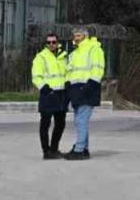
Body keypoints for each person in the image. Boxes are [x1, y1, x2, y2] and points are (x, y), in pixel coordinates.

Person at [64, 27, 105, 161]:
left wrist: (90, 85)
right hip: (76, 90)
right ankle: (84, 149)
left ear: (85, 36)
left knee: (81, 120)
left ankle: (79, 149)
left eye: (79, 35)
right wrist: (68, 84)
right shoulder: (74, 53)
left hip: (88, 88)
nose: (76, 38)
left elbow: (98, 68)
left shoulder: (94, 49)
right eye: (74, 35)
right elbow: (69, 71)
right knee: (79, 121)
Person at [31, 33, 68, 160]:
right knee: (45, 124)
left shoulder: (64, 56)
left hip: (61, 94)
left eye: (53, 42)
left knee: (60, 124)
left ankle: (54, 149)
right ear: (46, 44)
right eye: (49, 42)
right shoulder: (41, 57)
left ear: (58, 42)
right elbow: (36, 76)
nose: (51, 44)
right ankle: (46, 151)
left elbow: (67, 72)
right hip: (48, 94)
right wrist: (44, 88)